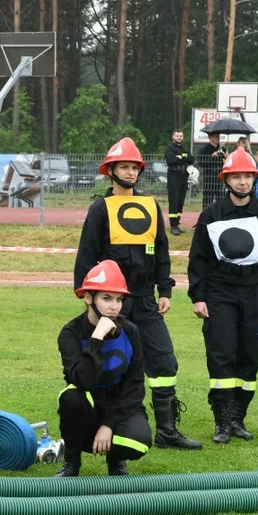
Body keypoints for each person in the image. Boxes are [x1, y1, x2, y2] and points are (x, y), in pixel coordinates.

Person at [74, 137, 201, 452]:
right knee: (109, 364)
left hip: (145, 299)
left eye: (134, 167)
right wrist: (89, 298)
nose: (130, 173)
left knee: (165, 362)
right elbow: (86, 254)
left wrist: (165, 289)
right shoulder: (100, 208)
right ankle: (98, 425)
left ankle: (167, 430)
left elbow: (161, 250)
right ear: (111, 170)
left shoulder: (150, 205)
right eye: (124, 167)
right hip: (112, 302)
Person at [187, 147, 258, 444]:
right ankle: (221, 422)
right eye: (237, 176)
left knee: (250, 356)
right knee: (221, 355)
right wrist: (198, 296)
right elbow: (198, 259)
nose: (243, 182)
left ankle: (238, 419)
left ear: (254, 179)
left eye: (248, 176)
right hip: (220, 291)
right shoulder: (212, 214)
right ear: (226, 179)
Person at [55, 260, 152, 477]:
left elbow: (135, 386)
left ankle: (116, 461)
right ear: (89, 298)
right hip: (86, 408)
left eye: (118, 299)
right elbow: (83, 381)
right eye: (106, 298)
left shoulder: (131, 331)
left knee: (138, 442)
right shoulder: (70, 333)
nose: (114, 307)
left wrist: (109, 424)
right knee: (71, 397)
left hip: (121, 407)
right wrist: (97, 338)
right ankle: (71, 463)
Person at [163, 130, 193, 235]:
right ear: (173, 136)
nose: (179, 137)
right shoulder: (169, 149)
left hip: (183, 176)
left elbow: (191, 159)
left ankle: (177, 223)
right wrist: (183, 158)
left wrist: (181, 157)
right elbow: (171, 160)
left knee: (181, 200)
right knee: (174, 200)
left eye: (181, 136)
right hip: (174, 176)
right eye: (177, 135)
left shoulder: (184, 149)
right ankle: (173, 226)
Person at [196, 132, 226, 208]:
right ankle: (206, 216)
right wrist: (212, 156)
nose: (218, 138)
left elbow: (225, 162)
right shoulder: (204, 149)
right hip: (209, 178)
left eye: (218, 136)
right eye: (216, 136)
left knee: (220, 198)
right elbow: (200, 162)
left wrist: (226, 157)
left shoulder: (222, 149)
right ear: (210, 138)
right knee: (208, 198)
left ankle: (220, 216)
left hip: (219, 177)